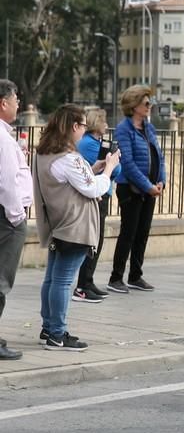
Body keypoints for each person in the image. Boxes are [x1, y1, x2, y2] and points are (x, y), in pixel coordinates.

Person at [33, 104, 120, 350]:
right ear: (74, 126)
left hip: (57, 222)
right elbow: (93, 188)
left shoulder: (44, 153)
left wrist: (94, 169)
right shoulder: (69, 158)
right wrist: (111, 167)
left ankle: (48, 327)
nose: (84, 130)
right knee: (62, 281)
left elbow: (72, 181)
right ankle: (57, 334)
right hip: (76, 226)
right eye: (82, 125)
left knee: (52, 278)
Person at [108, 85, 164, 294]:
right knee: (128, 233)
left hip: (149, 189)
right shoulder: (124, 129)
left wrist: (161, 181)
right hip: (130, 189)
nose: (150, 106)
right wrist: (147, 186)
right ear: (134, 105)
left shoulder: (149, 128)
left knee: (143, 233)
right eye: (146, 103)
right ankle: (116, 277)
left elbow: (160, 156)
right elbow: (128, 163)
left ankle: (135, 276)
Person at [72, 108, 119, 303]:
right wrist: (112, 164)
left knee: (97, 240)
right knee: (93, 241)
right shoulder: (90, 144)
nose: (107, 124)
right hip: (96, 195)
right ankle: (83, 285)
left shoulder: (95, 143)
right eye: (104, 120)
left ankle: (87, 281)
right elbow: (115, 171)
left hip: (101, 192)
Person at [0, 80, 31, 360]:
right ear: (3, 103)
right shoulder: (2, 139)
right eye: (16, 99)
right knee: (1, 280)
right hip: (6, 218)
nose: (18, 103)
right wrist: (16, 215)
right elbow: (7, 182)